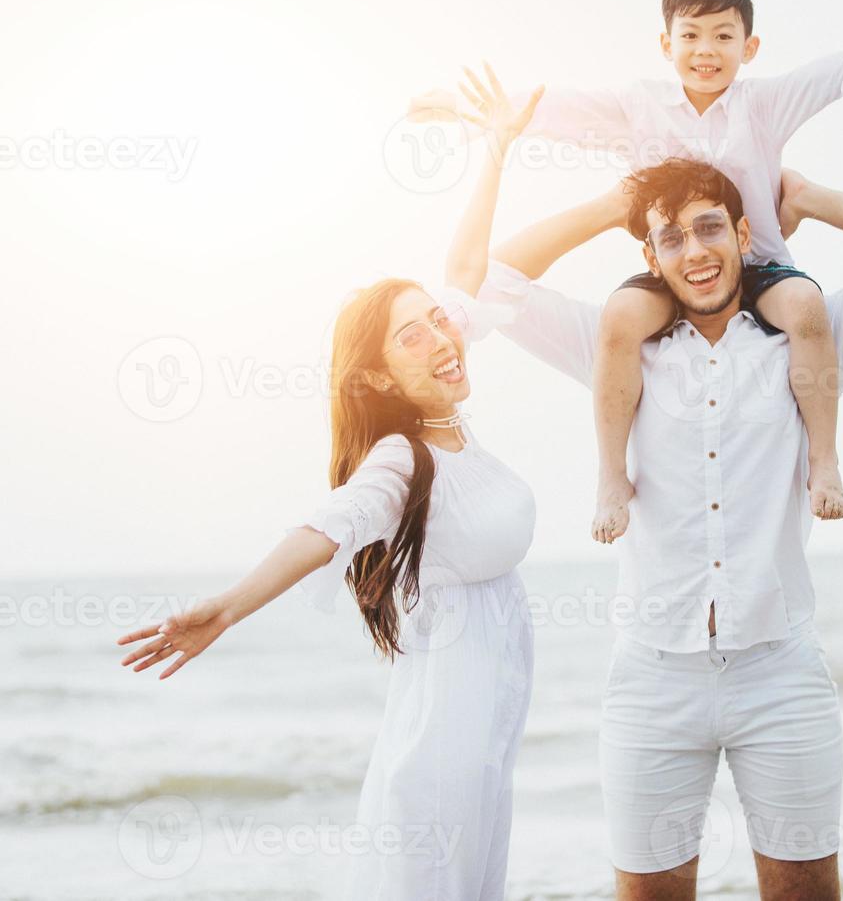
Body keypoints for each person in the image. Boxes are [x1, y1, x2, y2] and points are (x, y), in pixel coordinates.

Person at [117, 67, 545, 901]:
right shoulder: (400, 458)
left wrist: (496, 148)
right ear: (382, 378)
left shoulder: (448, 414)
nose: (442, 338)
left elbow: (475, 263)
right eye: (411, 337)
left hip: (484, 742)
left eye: (440, 321)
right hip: (441, 766)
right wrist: (232, 604)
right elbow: (329, 527)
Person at [478, 158, 843, 900]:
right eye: (670, 238)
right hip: (651, 680)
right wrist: (612, 208)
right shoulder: (617, 348)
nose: (694, 252)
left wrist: (808, 198)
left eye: (709, 229)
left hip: (781, 673)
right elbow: (491, 280)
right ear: (650, 256)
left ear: (741, 234)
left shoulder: (806, 342)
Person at [416, 0, 843, 541]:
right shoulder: (641, 107)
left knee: (808, 308)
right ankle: (612, 476)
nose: (705, 51)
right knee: (617, 321)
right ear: (667, 44)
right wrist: (463, 107)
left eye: (722, 36)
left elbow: (825, 76)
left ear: (749, 46)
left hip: (759, 266)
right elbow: (558, 109)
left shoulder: (761, 104)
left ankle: (825, 461)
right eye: (690, 35)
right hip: (670, 275)